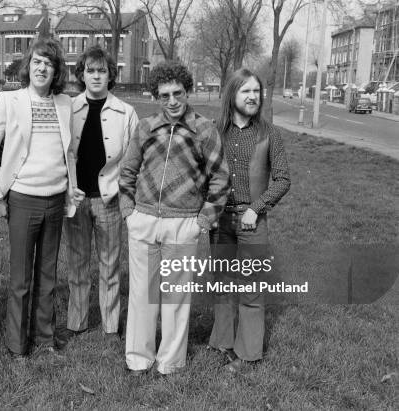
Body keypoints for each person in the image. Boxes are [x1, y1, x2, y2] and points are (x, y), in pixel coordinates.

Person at [0, 39, 84, 358]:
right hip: (22, 201)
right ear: (28, 66)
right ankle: (17, 345)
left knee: (47, 276)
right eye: (36, 62)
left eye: (48, 63)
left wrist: (71, 186)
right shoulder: (9, 100)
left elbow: (69, 153)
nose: (41, 68)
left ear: (56, 70)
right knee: (21, 279)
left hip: (55, 202)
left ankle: (45, 339)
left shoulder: (65, 103)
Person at [119, 62, 230, 376]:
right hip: (142, 221)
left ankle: (171, 362)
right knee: (142, 294)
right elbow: (127, 172)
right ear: (156, 95)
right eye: (164, 94)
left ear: (187, 91)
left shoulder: (204, 130)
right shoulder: (145, 128)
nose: (172, 101)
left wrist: (203, 221)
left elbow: (220, 180)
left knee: (176, 298)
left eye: (178, 93)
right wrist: (129, 212)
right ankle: (138, 359)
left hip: (183, 224)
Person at [208, 68, 291, 373]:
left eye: (256, 91)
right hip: (220, 222)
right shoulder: (215, 132)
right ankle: (222, 342)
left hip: (253, 222)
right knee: (222, 285)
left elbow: (282, 179)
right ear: (232, 94)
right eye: (246, 91)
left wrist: (257, 208)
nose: (253, 97)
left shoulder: (270, 134)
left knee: (252, 288)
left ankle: (248, 353)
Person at [63, 45, 138, 338]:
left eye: (102, 71)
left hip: (109, 200)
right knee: (77, 263)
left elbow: (134, 160)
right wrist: (68, 189)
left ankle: (110, 325)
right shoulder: (68, 107)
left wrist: (127, 196)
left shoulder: (126, 112)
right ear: (81, 74)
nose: (96, 76)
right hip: (76, 200)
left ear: (110, 75)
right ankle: (76, 322)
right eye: (90, 70)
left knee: (110, 265)